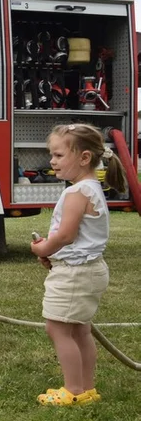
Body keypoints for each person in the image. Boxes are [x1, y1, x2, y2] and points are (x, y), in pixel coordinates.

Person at [30, 123, 127, 406]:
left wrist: (42, 247)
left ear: (84, 158)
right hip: (88, 269)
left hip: (76, 274)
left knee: (58, 329)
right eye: (52, 155)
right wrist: (55, 252)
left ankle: (72, 390)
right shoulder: (91, 189)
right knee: (79, 330)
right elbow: (75, 237)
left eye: (59, 155)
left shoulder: (76, 193)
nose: (52, 161)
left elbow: (65, 235)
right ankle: (86, 389)